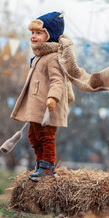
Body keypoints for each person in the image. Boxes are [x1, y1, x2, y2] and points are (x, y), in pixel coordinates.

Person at [10, 11, 72, 182]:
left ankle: (48, 167)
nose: (33, 37)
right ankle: (40, 164)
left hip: (47, 108)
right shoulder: (39, 57)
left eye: (38, 33)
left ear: (50, 35)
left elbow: (57, 81)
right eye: (32, 33)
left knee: (46, 136)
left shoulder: (53, 57)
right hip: (36, 107)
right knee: (34, 136)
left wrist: (53, 98)